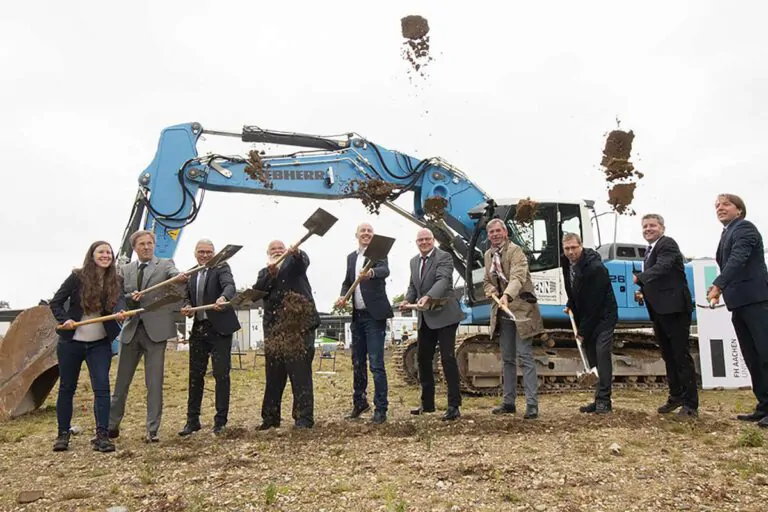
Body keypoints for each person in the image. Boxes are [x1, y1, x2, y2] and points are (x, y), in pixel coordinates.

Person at [108, 230, 186, 443]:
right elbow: (118, 297)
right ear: (134, 248)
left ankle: (152, 430)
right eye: (141, 244)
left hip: (156, 332)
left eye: (149, 243)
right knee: (121, 383)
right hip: (131, 331)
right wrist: (128, 300)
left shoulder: (165, 263)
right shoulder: (125, 269)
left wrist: (178, 278)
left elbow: (174, 275)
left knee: (154, 384)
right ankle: (111, 426)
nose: (146, 247)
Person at [49, 241, 126, 452]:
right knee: (67, 388)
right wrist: (64, 319)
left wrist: (120, 311)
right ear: (92, 255)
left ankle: (102, 436)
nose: (106, 255)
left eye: (109, 252)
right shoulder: (77, 277)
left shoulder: (116, 280)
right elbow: (55, 302)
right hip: (71, 343)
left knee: (102, 388)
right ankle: (63, 435)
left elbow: (121, 301)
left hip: (99, 344)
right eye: (101, 252)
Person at [707, 194, 768, 427]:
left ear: (739, 210)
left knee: (765, 354)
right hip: (740, 303)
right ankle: (764, 405)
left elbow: (737, 259)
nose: (720, 208)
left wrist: (718, 284)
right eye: (717, 206)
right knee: (752, 357)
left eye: (725, 204)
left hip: (756, 301)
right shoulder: (727, 233)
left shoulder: (745, 228)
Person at [634, 214, 698, 417]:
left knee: (680, 355)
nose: (648, 229)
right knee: (668, 356)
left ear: (662, 227)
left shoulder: (667, 244)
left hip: (674, 309)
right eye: (645, 226)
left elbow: (664, 267)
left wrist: (641, 278)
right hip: (659, 309)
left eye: (652, 225)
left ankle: (690, 404)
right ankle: (676, 396)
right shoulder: (649, 250)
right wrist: (643, 290)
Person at [254, 240, 320, 430]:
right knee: (273, 375)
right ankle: (270, 418)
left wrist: (297, 252)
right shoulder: (264, 272)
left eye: (280, 249)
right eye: (273, 249)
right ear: (268, 253)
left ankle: (303, 418)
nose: (277, 251)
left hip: (298, 328)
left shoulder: (294, 262)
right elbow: (258, 291)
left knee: (300, 374)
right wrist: (271, 275)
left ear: (286, 251)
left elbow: (303, 262)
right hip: (275, 331)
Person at [400, 228, 465, 421]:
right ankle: (427, 404)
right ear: (416, 242)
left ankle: (454, 405)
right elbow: (413, 286)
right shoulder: (414, 262)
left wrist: (428, 296)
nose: (424, 242)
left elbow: (443, 280)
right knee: (423, 359)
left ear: (433, 240)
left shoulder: (444, 257)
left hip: (445, 314)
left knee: (447, 358)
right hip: (426, 317)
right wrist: (407, 299)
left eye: (427, 239)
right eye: (420, 239)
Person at [178, 239, 241, 436]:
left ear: (214, 253)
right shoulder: (191, 273)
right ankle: (192, 420)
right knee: (195, 376)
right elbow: (187, 296)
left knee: (221, 374)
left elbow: (229, 286)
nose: (205, 255)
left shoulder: (221, 266)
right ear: (195, 253)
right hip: (199, 329)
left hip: (220, 329)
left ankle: (220, 421)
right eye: (201, 252)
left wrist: (224, 298)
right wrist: (187, 306)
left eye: (209, 252)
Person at [482, 219, 543, 419]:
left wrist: (506, 296)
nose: (495, 234)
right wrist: (491, 290)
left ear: (506, 232)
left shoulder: (516, 252)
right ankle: (509, 402)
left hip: (521, 310)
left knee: (524, 356)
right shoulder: (488, 255)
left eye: (498, 230)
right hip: (503, 311)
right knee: (507, 358)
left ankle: (532, 405)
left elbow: (518, 277)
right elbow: (486, 281)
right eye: (491, 231)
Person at [335, 223, 393, 424]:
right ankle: (360, 402)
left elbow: (385, 270)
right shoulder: (351, 257)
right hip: (357, 316)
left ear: (373, 236)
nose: (366, 233)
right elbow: (347, 281)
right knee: (357, 362)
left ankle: (381, 408)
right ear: (356, 235)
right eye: (363, 231)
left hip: (374, 316)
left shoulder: (378, 253)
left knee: (376, 363)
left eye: (369, 231)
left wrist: (371, 273)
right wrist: (343, 296)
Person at [561, 232, 617, 414]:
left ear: (581, 246)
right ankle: (597, 398)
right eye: (567, 248)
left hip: (603, 317)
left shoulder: (595, 268)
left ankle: (604, 401)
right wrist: (571, 303)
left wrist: (583, 331)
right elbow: (574, 288)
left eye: (573, 248)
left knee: (601, 354)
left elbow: (595, 303)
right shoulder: (566, 262)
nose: (570, 252)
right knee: (592, 358)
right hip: (586, 315)